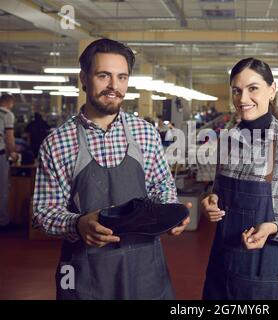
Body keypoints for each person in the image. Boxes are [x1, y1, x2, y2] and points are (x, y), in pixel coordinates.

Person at [33, 38, 190, 300]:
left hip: (145, 271)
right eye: (103, 75)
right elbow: (42, 213)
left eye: (122, 77)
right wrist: (78, 223)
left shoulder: (145, 134)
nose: (113, 86)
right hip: (87, 275)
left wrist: (170, 212)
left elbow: (162, 185)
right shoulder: (57, 142)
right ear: (84, 78)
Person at [201, 57, 278, 300]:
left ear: (272, 90)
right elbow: (217, 192)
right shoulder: (227, 141)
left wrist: (274, 228)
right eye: (237, 90)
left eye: (253, 88)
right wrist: (211, 202)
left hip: (268, 277)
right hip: (221, 273)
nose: (243, 99)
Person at [0, 94, 19, 232]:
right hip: (0, 155)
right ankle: (3, 222)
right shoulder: (7, 115)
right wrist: (13, 153)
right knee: (3, 189)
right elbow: (9, 138)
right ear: (8, 102)